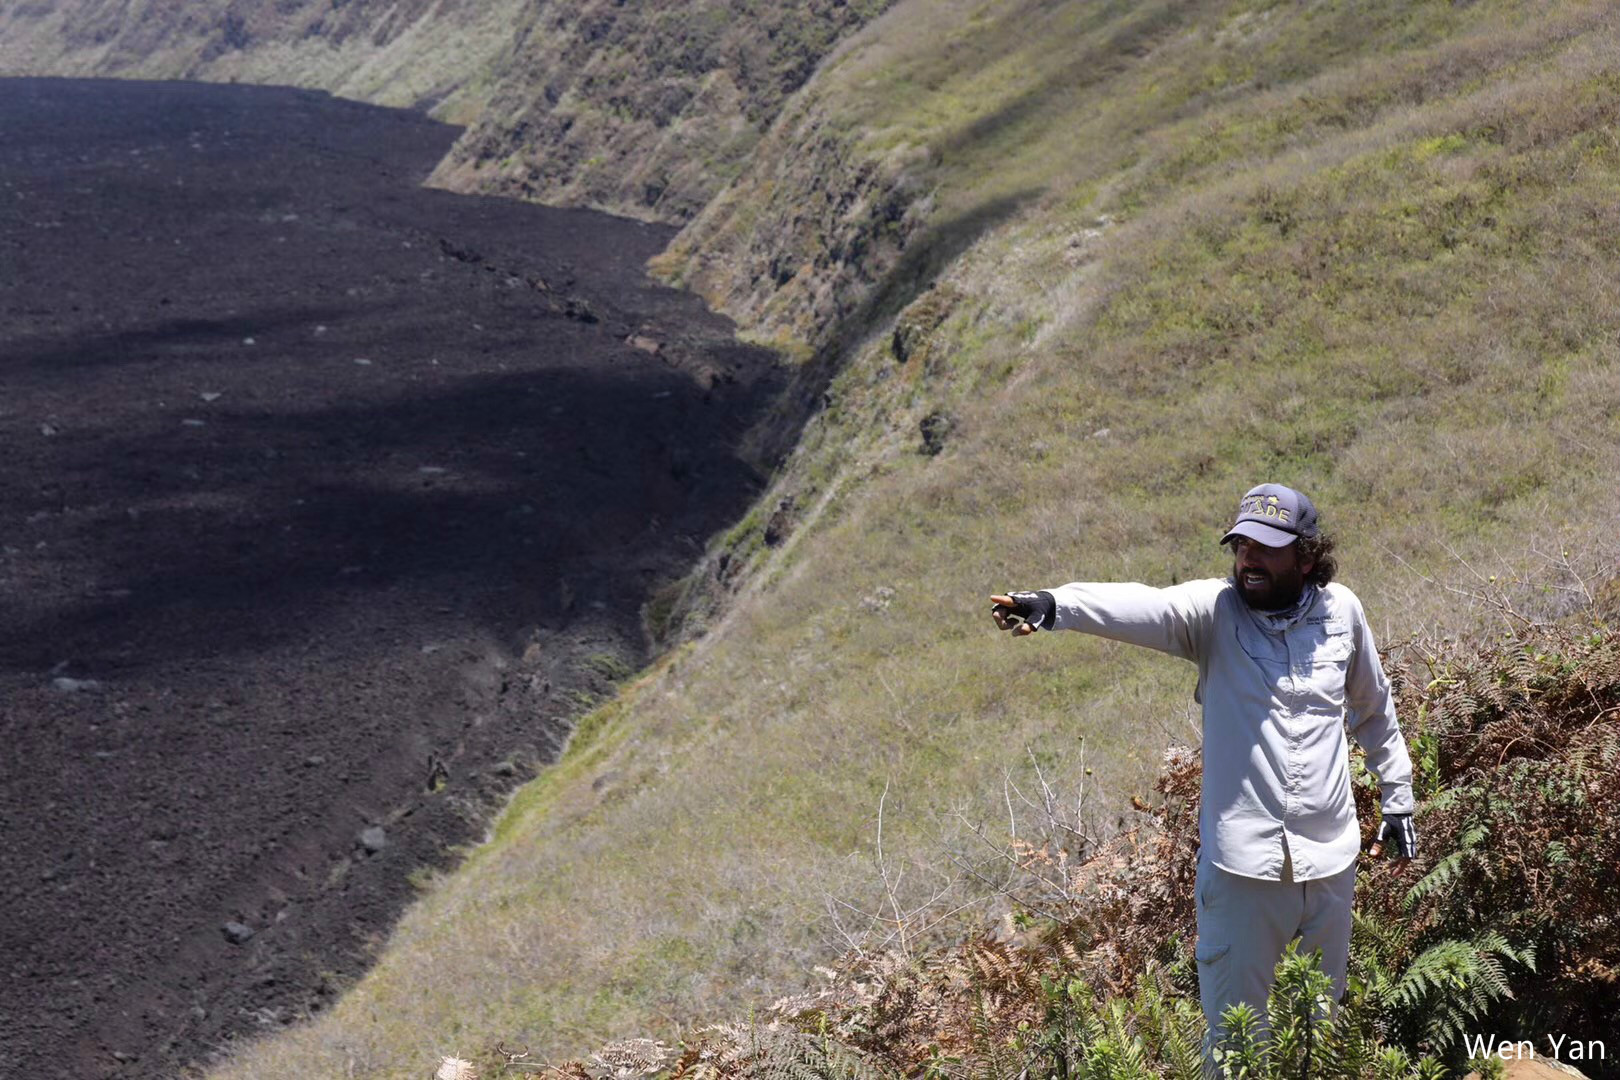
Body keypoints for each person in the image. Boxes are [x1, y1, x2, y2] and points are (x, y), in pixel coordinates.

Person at [989, 483, 1417, 1068]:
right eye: (1241, 545)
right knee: (1236, 1044)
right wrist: (1055, 605)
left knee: (1321, 1029)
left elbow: (1373, 708)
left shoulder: (1343, 612)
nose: (1248, 559)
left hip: (1330, 861)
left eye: (1266, 547)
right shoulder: (1213, 613)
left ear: (1307, 557)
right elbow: (1144, 606)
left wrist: (1398, 798)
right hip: (1243, 871)